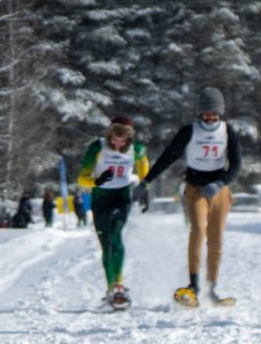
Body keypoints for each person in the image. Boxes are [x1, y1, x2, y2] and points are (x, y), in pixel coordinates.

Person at [133, 87, 241, 307]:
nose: (210, 117)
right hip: (195, 188)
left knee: (216, 236)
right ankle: (194, 286)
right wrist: (146, 181)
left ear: (220, 113)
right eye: (206, 113)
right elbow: (167, 158)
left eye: (214, 113)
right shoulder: (189, 131)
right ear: (200, 112)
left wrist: (220, 183)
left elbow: (236, 164)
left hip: (219, 189)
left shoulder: (227, 131)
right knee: (198, 230)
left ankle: (212, 288)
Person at [78, 116, 150, 308]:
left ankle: (118, 285)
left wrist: (145, 191)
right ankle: (110, 287)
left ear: (129, 139)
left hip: (121, 196)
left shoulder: (138, 149)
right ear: (109, 135)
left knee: (115, 236)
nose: (117, 145)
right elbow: (82, 178)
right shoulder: (97, 147)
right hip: (100, 198)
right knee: (105, 243)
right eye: (114, 140)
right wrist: (97, 181)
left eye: (122, 141)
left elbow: (145, 172)